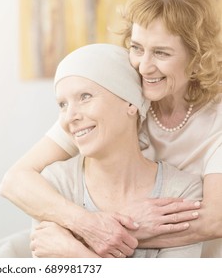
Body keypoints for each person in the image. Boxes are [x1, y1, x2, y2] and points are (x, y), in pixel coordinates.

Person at [0, 0, 222, 258]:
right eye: (137, 48)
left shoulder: (216, 119)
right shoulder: (122, 99)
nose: (144, 66)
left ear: (196, 57)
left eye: (161, 53)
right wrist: (89, 225)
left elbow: (215, 219)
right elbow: (15, 180)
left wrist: (97, 235)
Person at [29, 43, 202, 258]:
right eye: (62, 104)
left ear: (130, 103)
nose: (69, 116)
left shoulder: (181, 192)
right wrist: (127, 226)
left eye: (85, 96)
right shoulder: (54, 184)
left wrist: (76, 252)